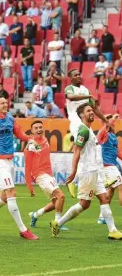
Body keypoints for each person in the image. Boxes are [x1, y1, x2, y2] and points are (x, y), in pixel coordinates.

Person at [50, 103, 122, 240]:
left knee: (104, 198)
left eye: (92, 110)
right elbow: (77, 150)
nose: (91, 112)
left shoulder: (89, 131)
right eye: (88, 111)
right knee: (84, 204)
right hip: (88, 172)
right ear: (82, 115)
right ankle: (58, 223)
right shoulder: (83, 131)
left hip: (94, 172)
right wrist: (73, 171)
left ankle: (112, 230)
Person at [0, 94, 39, 240]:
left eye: (6, 102)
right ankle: (23, 230)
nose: (5, 104)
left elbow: (19, 133)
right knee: (11, 192)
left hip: (9, 160)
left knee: (4, 197)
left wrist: (29, 139)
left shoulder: (10, 118)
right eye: (2, 103)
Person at [25, 121, 68, 230]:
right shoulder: (31, 144)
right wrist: (29, 185)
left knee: (55, 202)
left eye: (40, 127)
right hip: (40, 175)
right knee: (61, 196)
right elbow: (27, 165)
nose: (39, 129)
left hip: (49, 174)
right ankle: (58, 222)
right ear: (32, 131)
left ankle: (36, 215)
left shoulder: (45, 140)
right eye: (36, 128)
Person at [65, 69, 108, 141]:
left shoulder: (85, 89)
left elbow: (94, 108)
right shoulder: (69, 88)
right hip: (76, 121)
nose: (78, 76)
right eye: (75, 75)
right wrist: (89, 96)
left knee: (94, 144)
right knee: (81, 145)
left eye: (79, 74)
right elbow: (71, 97)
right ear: (70, 78)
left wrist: (106, 121)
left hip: (85, 122)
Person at [96, 114, 122, 224]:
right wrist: (109, 120)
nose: (114, 123)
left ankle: (102, 217)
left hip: (112, 166)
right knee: (121, 188)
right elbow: (102, 131)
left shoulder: (114, 137)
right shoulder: (103, 134)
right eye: (111, 122)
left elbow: (118, 153)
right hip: (107, 167)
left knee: (110, 191)